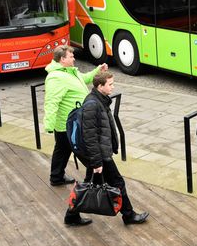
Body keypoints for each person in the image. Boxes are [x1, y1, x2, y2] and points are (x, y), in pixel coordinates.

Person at [64, 71, 149, 226]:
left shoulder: (100, 100)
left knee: (88, 184)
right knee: (117, 183)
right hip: (100, 155)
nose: (113, 87)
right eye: (110, 84)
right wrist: (97, 162)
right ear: (100, 86)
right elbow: (90, 137)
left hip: (98, 154)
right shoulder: (92, 104)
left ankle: (71, 215)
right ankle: (128, 215)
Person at [44, 45, 106, 187]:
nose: (74, 59)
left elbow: (85, 78)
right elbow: (51, 101)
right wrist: (49, 124)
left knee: (62, 150)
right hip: (69, 124)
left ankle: (56, 177)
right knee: (85, 152)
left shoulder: (71, 72)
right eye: (71, 56)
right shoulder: (56, 77)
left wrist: (97, 70)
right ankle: (93, 182)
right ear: (62, 59)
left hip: (73, 122)